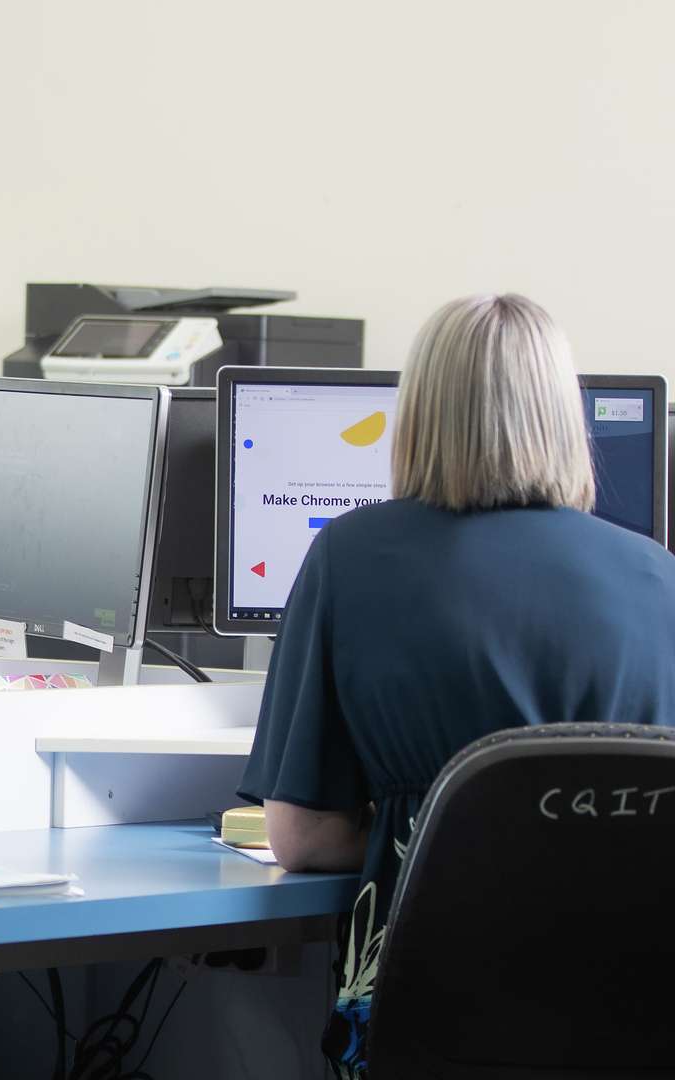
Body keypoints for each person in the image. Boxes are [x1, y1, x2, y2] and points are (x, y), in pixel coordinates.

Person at [238, 293, 675, 1077]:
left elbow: (301, 840)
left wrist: (433, 825)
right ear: (564, 418)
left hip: (431, 1022)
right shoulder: (658, 575)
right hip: (634, 1025)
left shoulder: (350, 557)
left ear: (420, 413)